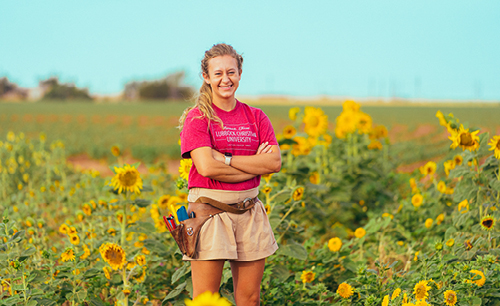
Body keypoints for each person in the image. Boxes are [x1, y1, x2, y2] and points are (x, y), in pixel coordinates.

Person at [178, 43, 281, 306]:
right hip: (210, 214)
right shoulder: (198, 118)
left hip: (250, 212)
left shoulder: (256, 117)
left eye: (231, 72)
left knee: (250, 299)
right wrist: (252, 167)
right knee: (206, 300)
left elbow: (274, 163)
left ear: (240, 72)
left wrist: (226, 159)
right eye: (218, 73)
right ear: (206, 77)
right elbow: (206, 168)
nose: (226, 79)